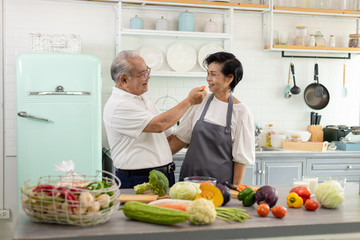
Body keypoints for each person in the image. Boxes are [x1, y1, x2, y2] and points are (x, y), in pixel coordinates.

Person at [103, 50, 207, 189]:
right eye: (142, 74)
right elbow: (159, 125)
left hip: (163, 176)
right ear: (124, 80)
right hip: (138, 179)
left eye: (147, 71)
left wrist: (195, 128)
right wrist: (189, 101)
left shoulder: (142, 100)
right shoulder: (119, 105)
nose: (148, 77)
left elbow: (170, 141)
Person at [169, 52, 255, 185]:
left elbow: (240, 159)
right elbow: (181, 138)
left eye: (213, 74)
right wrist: (155, 159)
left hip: (219, 186)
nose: (208, 79)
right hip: (189, 181)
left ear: (229, 78)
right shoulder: (200, 101)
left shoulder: (241, 112)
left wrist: (235, 189)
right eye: (208, 73)